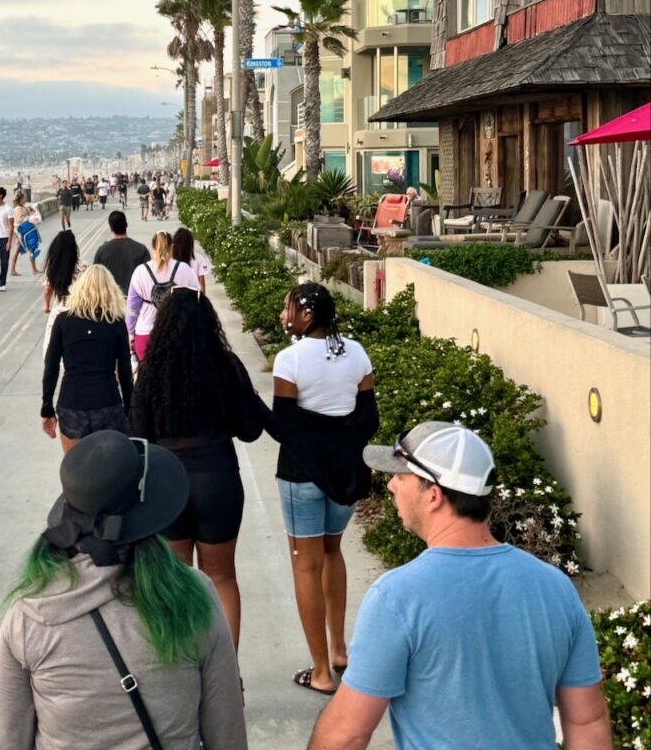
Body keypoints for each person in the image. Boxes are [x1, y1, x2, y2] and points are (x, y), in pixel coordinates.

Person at [307, 422, 612, 750]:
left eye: (401, 476)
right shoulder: (556, 588)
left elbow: (346, 733)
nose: (392, 485)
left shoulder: (397, 598)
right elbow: (587, 721)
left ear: (434, 496)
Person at [0, 430, 247, 749]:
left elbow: (5, 741)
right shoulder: (195, 596)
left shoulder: (28, 619)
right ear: (150, 509)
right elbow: (228, 735)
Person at [129, 288, 265, 648]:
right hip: (217, 476)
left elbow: (138, 435)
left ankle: (181, 673)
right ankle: (228, 676)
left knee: (174, 578)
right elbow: (251, 431)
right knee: (221, 576)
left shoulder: (151, 370)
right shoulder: (226, 366)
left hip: (167, 481)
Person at [266, 282, 378, 696]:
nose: (283, 314)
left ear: (307, 315)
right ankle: (339, 649)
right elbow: (368, 419)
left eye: (288, 307)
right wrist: (338, 441)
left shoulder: (289, 360)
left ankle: (320, 672)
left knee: (305, 565)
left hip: (301, 477)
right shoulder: (356, 353)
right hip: (345, 476)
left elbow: (283, 426)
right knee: (333, 551)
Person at [41, 265, 133, 454]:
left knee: (74, 470)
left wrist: (47, 408)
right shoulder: (116, 323)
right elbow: (125, 371)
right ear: (111, 291)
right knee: (109, 470)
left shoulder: (63, 320)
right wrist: (129, 408)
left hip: (72, 404)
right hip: (107, 403)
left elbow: (51, 367)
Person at [125, 231, 198, 363]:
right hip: (179, 333)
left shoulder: (140, 271)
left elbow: (132, 308)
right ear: (172, 246)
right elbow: (197, 301)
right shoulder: (184, 269)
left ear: (153, 247)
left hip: (146, 334)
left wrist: (130, 334)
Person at [41, 230, 84, 357]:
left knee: (52, 349)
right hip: (78, 311)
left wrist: (47, 305)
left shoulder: (52, 267)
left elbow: (47, 290)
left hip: (60, 310)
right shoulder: (83, 266)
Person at [94, 211, 149, 297]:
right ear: (126, 225)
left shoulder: (102, 251)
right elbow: (148, 277)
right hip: (134, 300)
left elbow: (95, 278)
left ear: (111, 228)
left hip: (111, 301)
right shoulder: (141, 249)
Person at [10, 190, 41, 277]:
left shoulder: (23, 207)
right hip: (22, 232)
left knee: (31, 248)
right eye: (24, 198)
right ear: (21, 199)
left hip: (25, 231)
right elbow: (18, 220)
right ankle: (13, 269)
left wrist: (31, 213)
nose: (25, 199)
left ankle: (34, 269)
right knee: (20, 250)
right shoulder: (18, 208)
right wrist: (28, 217)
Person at [172, 226, 211, 295]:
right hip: (192, 295)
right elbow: (201, 280)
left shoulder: (171, 259)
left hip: (175, 295)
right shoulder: (198, 258)